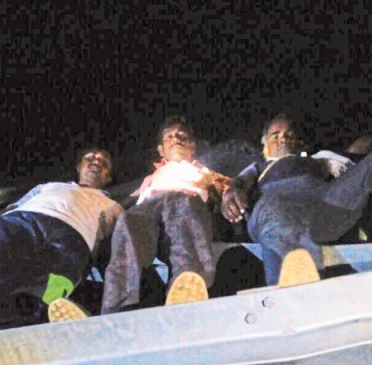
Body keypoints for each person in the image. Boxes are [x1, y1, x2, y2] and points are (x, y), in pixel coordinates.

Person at [50, 116, 230, 321]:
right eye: (170, 137)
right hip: (150, 209)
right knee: (127, 221)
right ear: (161, 149)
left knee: (184, 212)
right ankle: (117, 310)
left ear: (192, 146)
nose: (176, 139)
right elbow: (125, 202)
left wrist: (231, 197)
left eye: (182, 136)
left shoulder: (203, 171)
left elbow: (230, 187)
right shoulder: (150, 179)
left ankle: (186, 291)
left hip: (184, 202)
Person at [0, 148, 123, 330]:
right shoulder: (49, 186)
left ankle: (9, 334)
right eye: (90, 158)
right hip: (21, 222)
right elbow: (14, 205)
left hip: (74, 242)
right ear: (79, 167)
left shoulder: (114, 206)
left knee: (45, 296)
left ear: (108, 177)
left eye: (104, 162)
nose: (97, 161)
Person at [221, 114, 371, 285]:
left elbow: (355, 157)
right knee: (272, 205)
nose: (283, 139)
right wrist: (232, 192)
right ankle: (297, 277)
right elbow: (239, 182)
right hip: (280, 212)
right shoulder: (259, 167)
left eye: (289, 135)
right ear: (265, 144)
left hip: (324, 210)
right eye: (275, 135)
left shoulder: (320, 159)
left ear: (299, 142)